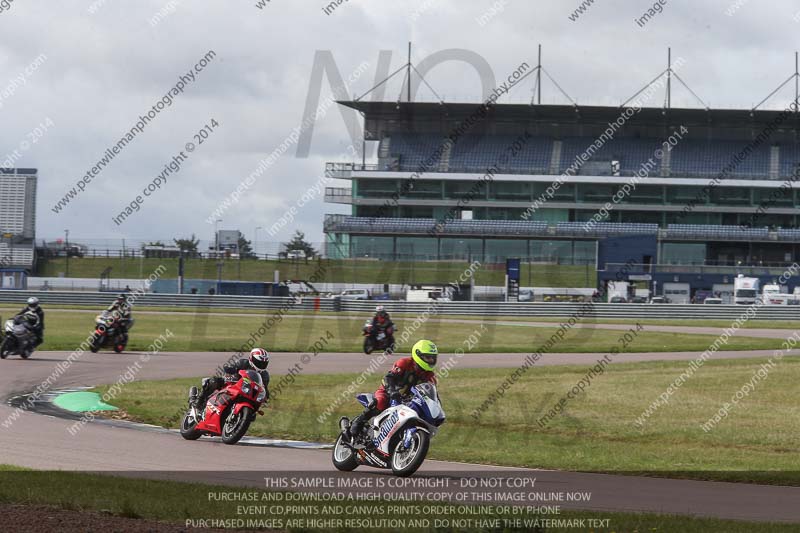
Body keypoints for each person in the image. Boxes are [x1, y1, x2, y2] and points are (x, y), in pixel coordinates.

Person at [348, 339, 438, 440]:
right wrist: (392, 391)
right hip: (388, 392)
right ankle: (358, 422)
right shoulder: (404, 363)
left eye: (432, 358)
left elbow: (431, 392)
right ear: (418, 354)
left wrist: (436, 406)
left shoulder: (430, 376)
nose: (430, 360)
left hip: (408, 400)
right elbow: (388, 378)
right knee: (381, 401)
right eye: (427, 357)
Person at [192, 348, 271, 410]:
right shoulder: (242, 363)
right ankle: (198, 401)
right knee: (214, 381)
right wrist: (231, 369)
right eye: (258, 362)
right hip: (232, 384)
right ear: (251, 359)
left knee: (253, 413)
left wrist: (265, 398)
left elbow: (264, 389)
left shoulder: (265, 375)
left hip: (246, 393)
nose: (261, 365)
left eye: (264, 363)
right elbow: (227, 367)